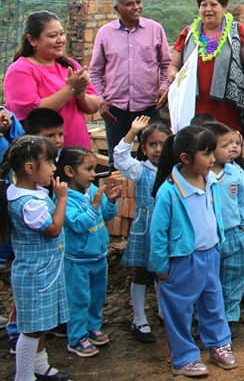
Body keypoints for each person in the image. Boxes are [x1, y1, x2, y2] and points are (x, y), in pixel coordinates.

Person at [149, 125, 235, 376]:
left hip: (210, 255)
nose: (212, 159)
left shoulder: (210, 182)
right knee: (179, 311)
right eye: (206, 154)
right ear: (185, 158)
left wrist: (219, 244)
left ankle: (219, 345)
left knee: (213, 303)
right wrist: (161, 266)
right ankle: (184, 357)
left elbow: (214, 214)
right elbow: (158, 233)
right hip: (182, 260)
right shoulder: (169, 191)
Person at [0, 135, 71, 381]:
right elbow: (52, 230)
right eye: (50, 162)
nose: (54, 168)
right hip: (36, 274)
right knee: (31, 330)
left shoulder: (29, 192)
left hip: (43, 271)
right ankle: (24, 376)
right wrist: (62, 199)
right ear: (30, 168)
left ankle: (40, 366)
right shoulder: (29, 203)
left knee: (40, 324)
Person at [89, 0, 171, 164]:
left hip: (149, 108)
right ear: (117, 9)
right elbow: (94, 72)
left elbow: (166, 64)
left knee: (155, 161)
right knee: (117, 162)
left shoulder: (155, 29)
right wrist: (101, 101)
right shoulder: (105, 33)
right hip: (116, 110)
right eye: (129, 4)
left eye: (138, 2)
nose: (136, 7)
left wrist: (163, 88)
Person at [3, 11, 100, 148]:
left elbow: (94, 105)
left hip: (78, 150)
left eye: (61, 34)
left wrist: (80, 94)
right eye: (52, 36)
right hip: (43, 154)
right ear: (32, 40)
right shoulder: (20, 70)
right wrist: (70, 89)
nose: (60, 40)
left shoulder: (69, 64)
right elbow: (33, 112)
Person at [57, 146, 119, 357]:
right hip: (77, 261)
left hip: (98, 256)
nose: (94, 174)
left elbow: (107, 216)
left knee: (96, 296)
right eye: (89, 169)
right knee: (79, 299)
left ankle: (92, 327)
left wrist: (110, 201)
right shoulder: (65, 199)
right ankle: (76, 338)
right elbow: (76, 224)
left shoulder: (92, 191)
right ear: (69, 171)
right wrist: (93, 207)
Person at [114, 116, 171, 343]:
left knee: (163, 272)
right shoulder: (140, 170)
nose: (158, 149)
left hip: (166, 230)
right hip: (145, 229)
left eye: (163, 144)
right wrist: (132, 131)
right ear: (144, 149)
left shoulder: (175, 170)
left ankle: (163, 311)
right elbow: (120, 158)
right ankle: (139, 318)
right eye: (152, 145)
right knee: (141, 273)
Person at [169, 0, 244, 132]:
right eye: (203, 5)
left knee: (226, 147)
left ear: (224, 7)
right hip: (194, 106)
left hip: (227, 108)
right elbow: (174, 64)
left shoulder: (237, 31)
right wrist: (172, 73)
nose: (208, 9)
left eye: (214, 4)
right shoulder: (188, 33)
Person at [204, 122, 244, 334]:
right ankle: (207, 317)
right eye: (226, 145)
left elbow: (241, 199)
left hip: (233, 233)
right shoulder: (202, 176)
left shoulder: (235, 173)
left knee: (235, 274)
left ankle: (231, 316)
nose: (233, 147)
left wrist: (243, 224)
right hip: (209, 237)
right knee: (209, 279)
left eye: (236, 143)